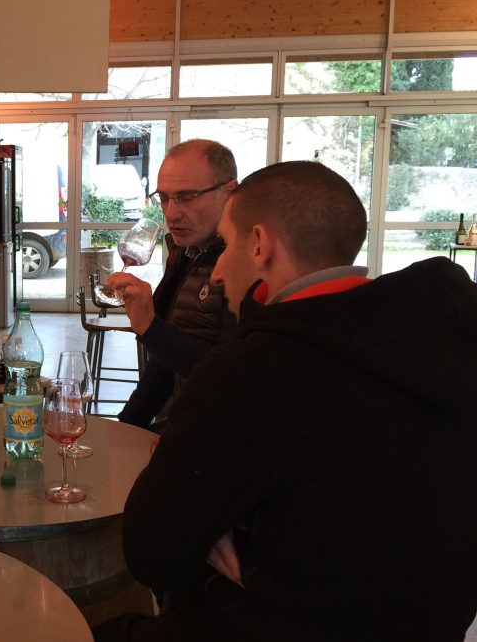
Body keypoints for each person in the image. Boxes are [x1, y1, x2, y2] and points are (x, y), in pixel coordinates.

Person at [107, 161, 477, 641]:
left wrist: (215, 521)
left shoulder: (251, 373)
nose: (218, 270)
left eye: (228, 244)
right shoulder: (443, 337)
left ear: (260, 245)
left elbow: (151, 554)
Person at [105, 139, 237, 431]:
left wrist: (151, 328)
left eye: (187, 197)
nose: (171, 213)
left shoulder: (245, 266)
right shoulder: (186, 255)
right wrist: (125, 428)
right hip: (183, 427)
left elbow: (231, 379)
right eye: (164, 198)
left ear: (228, 193)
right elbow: (163, 366)